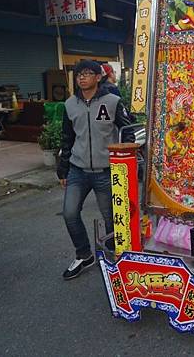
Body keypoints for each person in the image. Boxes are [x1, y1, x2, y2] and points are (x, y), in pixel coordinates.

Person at [57, 60, 135, 280]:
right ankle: (84, 254)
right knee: (70, 213)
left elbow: (128, 130)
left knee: (111, 217)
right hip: (77, 170)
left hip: (105, 172)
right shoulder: (70, 105)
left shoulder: (113, 102)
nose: (82, 77)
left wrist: (123, 161)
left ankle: (116, 259)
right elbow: (67, 138)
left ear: (98, 77)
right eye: (78, 74)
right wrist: (62, 170)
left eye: (87, 73)